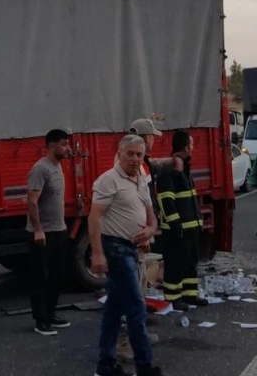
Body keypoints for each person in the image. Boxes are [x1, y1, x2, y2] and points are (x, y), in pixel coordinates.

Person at [90, 134, 163, 376]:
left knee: (113, 310)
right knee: (136, 308)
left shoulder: (140, 179)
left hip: (134, 250)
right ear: (119, 153)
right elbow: (94, 217)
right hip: (116, 249)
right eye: (130, 154)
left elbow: (151, 217)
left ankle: (106, 365)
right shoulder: (108, 181)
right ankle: (145, 367)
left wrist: (149, 232)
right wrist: (97, 254)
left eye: (139, 154)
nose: (134, 159)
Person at [115, 119, 162, 362]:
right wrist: (142, 233)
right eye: (152, 136)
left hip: (139, 236)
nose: (153, 141)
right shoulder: (131, 169)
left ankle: (137, 336)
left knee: (139, 288)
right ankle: (124, 344)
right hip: (132, 238)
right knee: (130, 293)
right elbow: (132, 206)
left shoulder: (140, 165)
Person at [25, 129, 72, 336]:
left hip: (59, 230)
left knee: (57, 276)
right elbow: (31, 201)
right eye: (64, 144)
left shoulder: (57, 166)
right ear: (52, 145)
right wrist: (38, 230)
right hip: (44, 234)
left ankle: (51, 314)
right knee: (40, 278)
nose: (68, 148)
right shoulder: (40, 169)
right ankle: (40, 320)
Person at [156, 130, 209, 311]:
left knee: (190, 263)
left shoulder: (184, 168)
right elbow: (166, 200)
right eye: (192, 144)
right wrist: (175, 225)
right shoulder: (169, 170)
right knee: (175, 264)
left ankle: (190, 295)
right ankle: (173, 298)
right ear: (186, 147)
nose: (193, 147)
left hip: (190, 228)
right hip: (177, 230)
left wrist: (198, 223)